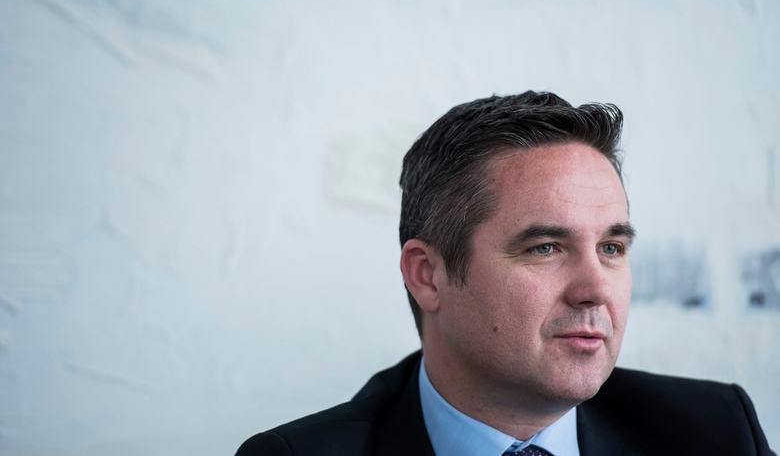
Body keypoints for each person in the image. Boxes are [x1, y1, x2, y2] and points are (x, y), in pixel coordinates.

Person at [236, 92, 775, 456]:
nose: (595, 289)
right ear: (428, 276)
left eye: (611, 247)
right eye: (545, 248)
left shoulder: (715, 432)